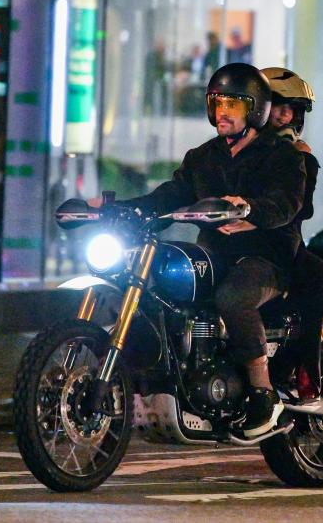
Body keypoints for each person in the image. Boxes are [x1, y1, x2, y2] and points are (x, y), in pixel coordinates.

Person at [89, 63, 307, 437]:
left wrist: (251, 209)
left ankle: (262, 394)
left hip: (266, 259)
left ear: (255, 109)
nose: (222, 112)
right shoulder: (203, 157)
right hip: (215, 255)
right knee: (161, 289)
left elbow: (286, 203)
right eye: (217, 102)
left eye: (233, 105)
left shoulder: (283, 157)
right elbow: (172, 194)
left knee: (234, 296)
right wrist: (126, 209)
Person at [260, 67, 323, 399]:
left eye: (291, 108)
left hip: (282, 247)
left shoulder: (298, 155)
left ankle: (307, 367)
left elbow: (299, 209)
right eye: (277, 104)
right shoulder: (233, 151)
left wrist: (302, 162)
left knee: (313, 274)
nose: (284, 114)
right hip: (232, 245)